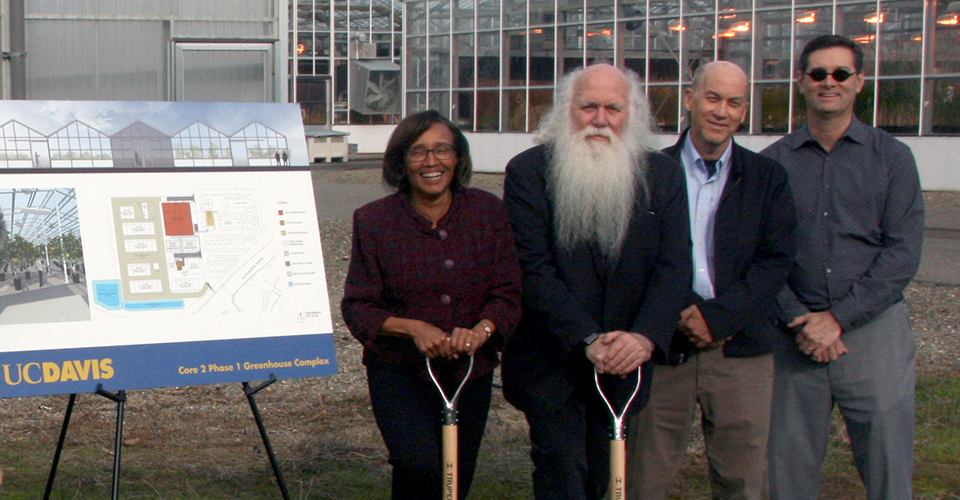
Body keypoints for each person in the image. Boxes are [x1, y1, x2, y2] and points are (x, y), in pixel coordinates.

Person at [501, 63, 691, 500]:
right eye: (588, 106)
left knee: (605, 477)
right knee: (563, 473)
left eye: (613, 108)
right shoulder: (529, 172)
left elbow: (674, 265)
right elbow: (531, 267)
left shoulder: (661, 175)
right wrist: (586, 337)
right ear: (567, 110)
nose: (600, 119)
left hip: (627, 360)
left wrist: (644, 338)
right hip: (553, 359)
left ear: (633, 114)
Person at [761, 35, 924, 500]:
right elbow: (762, 254)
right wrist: (801, 319)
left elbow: (901, 253)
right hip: (794, 338)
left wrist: (837, 320)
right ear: (801, 82)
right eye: (817, 74)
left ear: (859, 82)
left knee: (889, 470)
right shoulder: (772, 164)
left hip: (873, 334)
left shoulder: (892, 158)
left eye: (840, 74)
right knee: (788, 472)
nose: (828, 83)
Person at [625, 61, 796, 500]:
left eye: (734, 102)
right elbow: (637, 259)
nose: (722, 110)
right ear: (690, 99)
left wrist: (717, 318)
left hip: (741, 350)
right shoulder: (648, 172)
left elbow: (775, 261)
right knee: (644, 477)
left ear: (744, 110)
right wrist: (681, 313)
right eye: (713, 97)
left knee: (742, 480)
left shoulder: (768, 178)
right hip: (664, 348)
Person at [340, 110, 522, 500]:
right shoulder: (374, 221)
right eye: (418, 152)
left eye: (442, 150)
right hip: (400, 373)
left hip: (469, 371)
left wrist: (483, 330)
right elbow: (358, 305)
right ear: (401, 162)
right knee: (418, 465)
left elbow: (508, 291)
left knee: (456, 475)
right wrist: (412, 328)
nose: (431, 162)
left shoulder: (488, 213)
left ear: (458, 157)